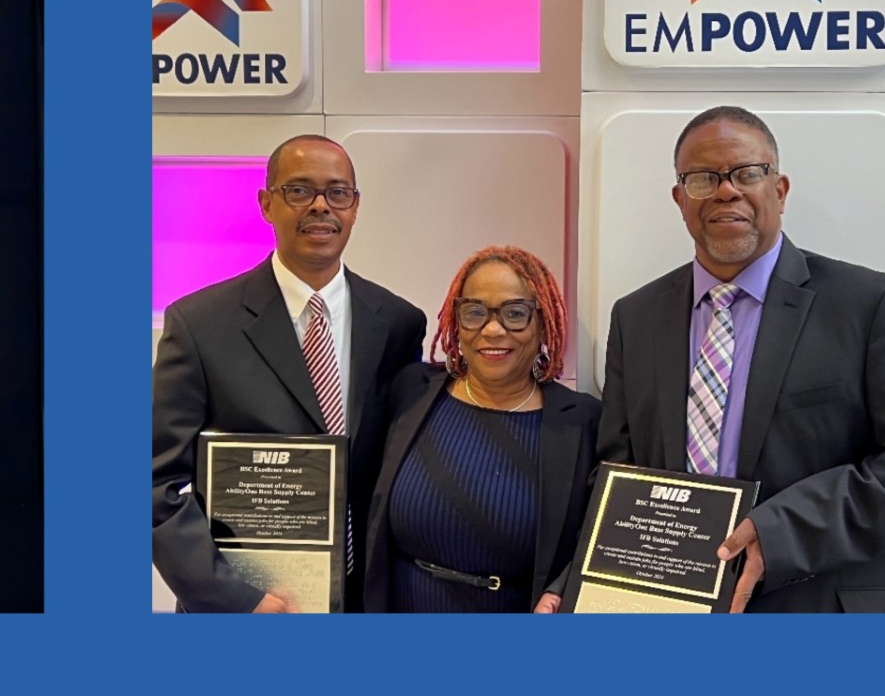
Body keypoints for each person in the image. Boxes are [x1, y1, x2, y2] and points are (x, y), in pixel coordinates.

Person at [584, 106, 885, 613]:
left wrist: (782, 531)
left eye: (747, 173)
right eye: (703, 178)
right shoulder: (636, 317)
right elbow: (619, 477)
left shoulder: (870, 304)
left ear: (780, 189)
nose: (726, 190)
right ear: (680, 199)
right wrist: (576, 584)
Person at [153, 134, 426, 611]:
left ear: (355, 207)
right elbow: (154, 485)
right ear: (266, 203)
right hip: (245, 611)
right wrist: (236, 600)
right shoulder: (199, 324)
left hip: (365, 602)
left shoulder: (400, 324)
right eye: (299, 191)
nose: (320, 207)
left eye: (337, 193)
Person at [362, 245, 597, 612]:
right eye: (474, 312)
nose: (492, 329)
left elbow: (597, 539)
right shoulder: (412, 391)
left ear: (544, 322)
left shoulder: (583, 422)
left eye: (515, 313)